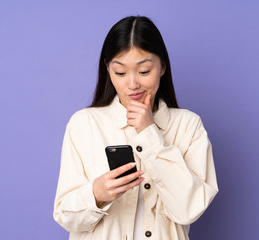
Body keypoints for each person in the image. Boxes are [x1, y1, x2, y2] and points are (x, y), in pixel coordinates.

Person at [53, 16, 219, 240]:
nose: (132, 84)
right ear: (108, 70)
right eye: (120, 73)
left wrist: (149, 133)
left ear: (162, 67)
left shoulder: (187, 125)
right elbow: (65, 216)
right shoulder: (84, 124)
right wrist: (97, 194)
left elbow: (189, 210)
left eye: (144, 71)